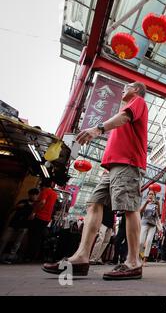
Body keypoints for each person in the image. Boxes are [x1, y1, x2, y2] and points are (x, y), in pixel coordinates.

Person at [42, 82, 148, 280]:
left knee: (129, 207)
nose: (124, 88)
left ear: (136, 90)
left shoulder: (138, 101)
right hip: (111, 167)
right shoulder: (122, 110)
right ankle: (82, 257)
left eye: (128, 86)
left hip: (128, 163)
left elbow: (125, 117)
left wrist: (98, 129)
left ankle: (133, 261)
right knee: (94, 204)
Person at [0, 188, 40, 263]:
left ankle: (10, 257)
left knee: (17, 242)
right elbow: (13, 209)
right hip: (14, 223)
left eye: (35, 195)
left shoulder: (37, 205)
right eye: (32, 194)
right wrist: (17, 206)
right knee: (4, 239)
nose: (33, 196)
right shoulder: (23, 201)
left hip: (24, 225)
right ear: (29, 195)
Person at [26, 180, 58, 262]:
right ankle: (33, 256)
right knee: (38, 237)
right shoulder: (54, 194)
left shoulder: (45, 191)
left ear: (42, 186)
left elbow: (42, 202)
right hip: (47, 218)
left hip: (39, 216)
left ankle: (29, 256)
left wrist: (33, 212)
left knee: (32, 236)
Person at [139, 190, 161, 266]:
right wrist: (146, 203)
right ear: (147, 195)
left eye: (152, 194)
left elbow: (158, 215)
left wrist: (158, 205)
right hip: (144, 223)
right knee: (141, 242)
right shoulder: (144, 202)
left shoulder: (156, 204)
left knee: (149, 241)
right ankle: (140, 257)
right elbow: (140, 211)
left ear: (154, 196)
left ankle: (145, 259)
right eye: (149, 194)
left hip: (153, 225)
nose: (151, 195)